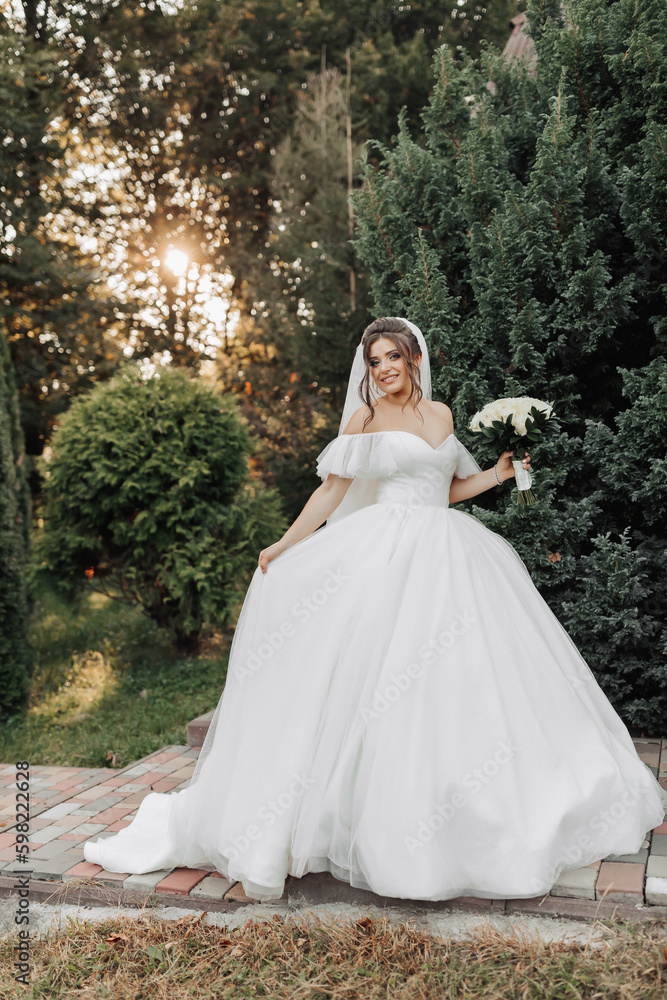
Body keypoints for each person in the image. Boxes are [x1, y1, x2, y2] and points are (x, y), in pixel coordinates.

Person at [84, 316, 667, 903]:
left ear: (414, 357)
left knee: (464, 677)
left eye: (393, 357)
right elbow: (332, 491)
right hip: (385, 553)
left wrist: (499, 473)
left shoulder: (440, 416)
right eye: (375, 361)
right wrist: (287, 544)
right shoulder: (364, 419)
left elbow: (447, 489)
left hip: (449, 551)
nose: (384, 369)